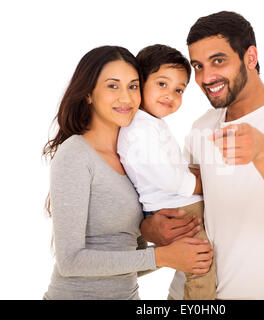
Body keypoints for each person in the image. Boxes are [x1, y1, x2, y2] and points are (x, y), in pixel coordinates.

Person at [140, 11, 264, 300]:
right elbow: (178, 198)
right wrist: (150, 229)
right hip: (188, 295)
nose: (207, 77)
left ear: (250, 57)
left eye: (218, 61)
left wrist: (261, 150)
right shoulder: (202, 125)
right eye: (198, 66)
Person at [42, 45, 213, 300]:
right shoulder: (75, 154)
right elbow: (70, 262)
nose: (126, 97)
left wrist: (154, 237)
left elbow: (127, 262)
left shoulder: (133, 159)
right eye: (113, 86)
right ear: (88, 94)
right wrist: (161, 256)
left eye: (133, 86)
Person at [117, 44, 216, 300]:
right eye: (162, 84)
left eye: (179, 90)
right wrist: (199, 184)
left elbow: (168, 167)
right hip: (175, 212)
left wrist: (191, 172)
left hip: (178, 205)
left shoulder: (150, 124)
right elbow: (167, 176)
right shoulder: (139, 128)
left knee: (200, 264)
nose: (170, 95)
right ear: (139, 82)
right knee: (200, 266)